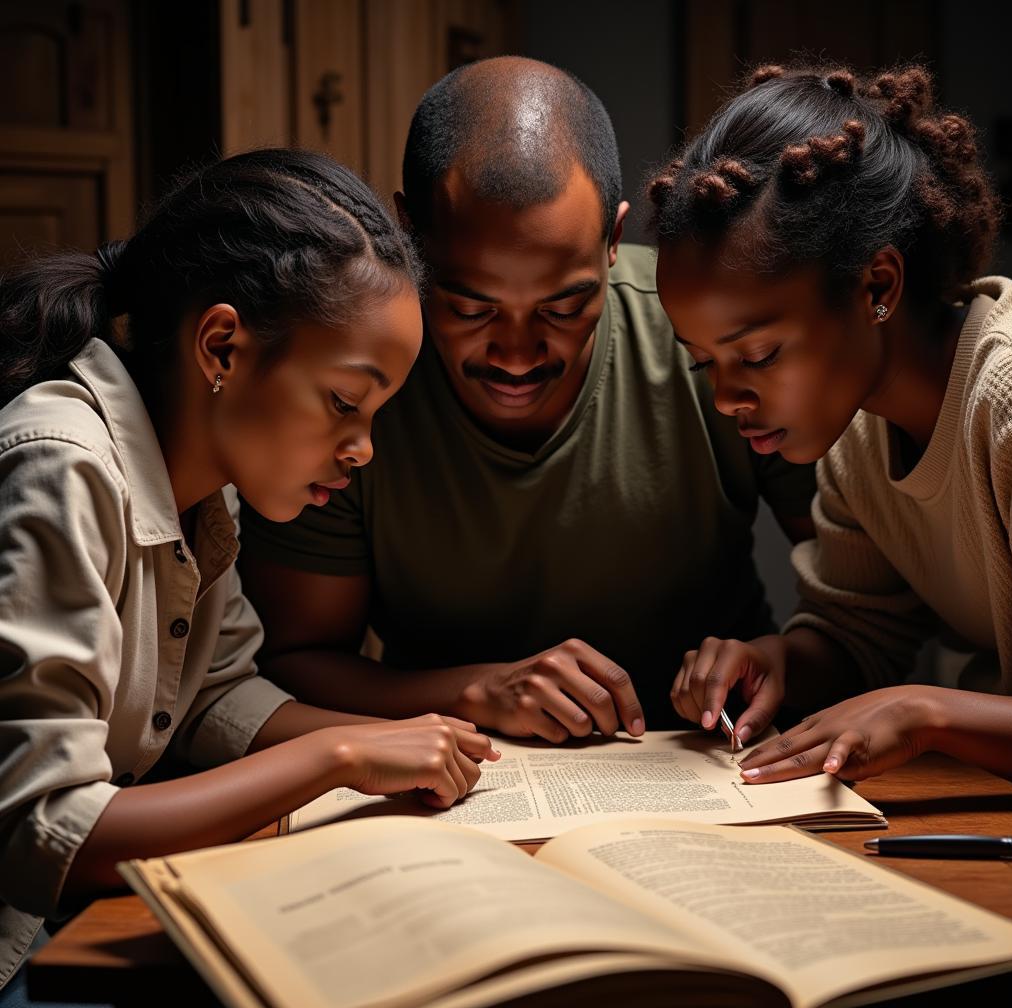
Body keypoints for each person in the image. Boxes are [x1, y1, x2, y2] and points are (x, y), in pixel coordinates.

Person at [0, 148, 498, 992]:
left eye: (377, 414)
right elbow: (46, 832)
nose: (363, 448)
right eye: (345, 401)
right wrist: (339, 754)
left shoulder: (206, 488)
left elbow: (216, 699)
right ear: (223, 347)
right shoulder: (63, 466)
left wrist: (404, 740)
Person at [238, 57, 818, 741]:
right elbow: (293, 660)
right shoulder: (353, 385)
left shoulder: (709, 341)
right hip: (454, 778)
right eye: (471, 308)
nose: (516, 355)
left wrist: (777, 660)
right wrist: (475, 692)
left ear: (613, 241)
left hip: (714, 764)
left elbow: (866, 615)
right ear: (409, 238)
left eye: (565, 306)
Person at [650, 63, 1012, 783]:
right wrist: (776, 661)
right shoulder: (858, 433)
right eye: (705, 364)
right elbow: (861, 634)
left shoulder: (1010, 401)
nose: (728, 398)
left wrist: (923, 711)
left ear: (877, 287)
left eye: (757, 354)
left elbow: (903, 696)